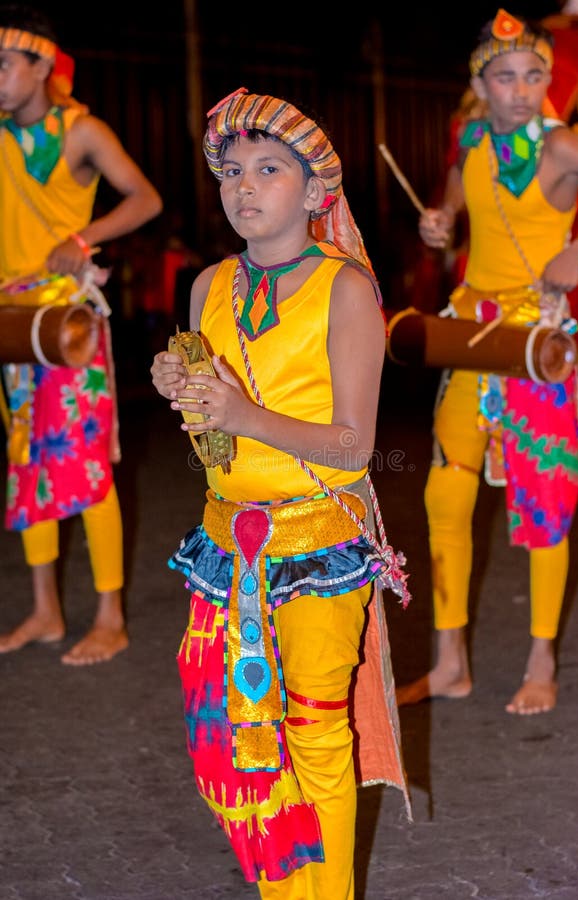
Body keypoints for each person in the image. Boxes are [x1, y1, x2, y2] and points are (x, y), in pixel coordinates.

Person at [150, 86, 411, 898]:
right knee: (222, 744)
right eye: (231, 170)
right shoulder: (205, 288)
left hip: (316, 547)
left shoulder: (345, 291)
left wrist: (241, 409)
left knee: (314, 739)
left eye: (270, 168)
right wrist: (190, 400)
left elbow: (353, 448)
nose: (245, 186)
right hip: (223, 547)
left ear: (316, 190)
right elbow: (217, 446)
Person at [395, 8, 578, 715]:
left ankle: (541, 659)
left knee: (546, 506)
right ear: (479, 85)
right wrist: (439, 222)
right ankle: (451, 661)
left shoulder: (565, 147)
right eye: (505, 76)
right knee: (443, 496)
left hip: (536, 346)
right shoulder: (471, 140)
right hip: (472, 337)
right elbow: (454, 198)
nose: (521, 89)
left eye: (533, 75)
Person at [0, 4, 162, 664]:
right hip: (11, 323)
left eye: (4, 64)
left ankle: (110, 615)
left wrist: (82, 237)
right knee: (24, 460)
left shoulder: (83, 131)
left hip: (67, 320)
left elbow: (144, 198)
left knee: (85, 468)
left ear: (41, 66)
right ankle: (44, 609)